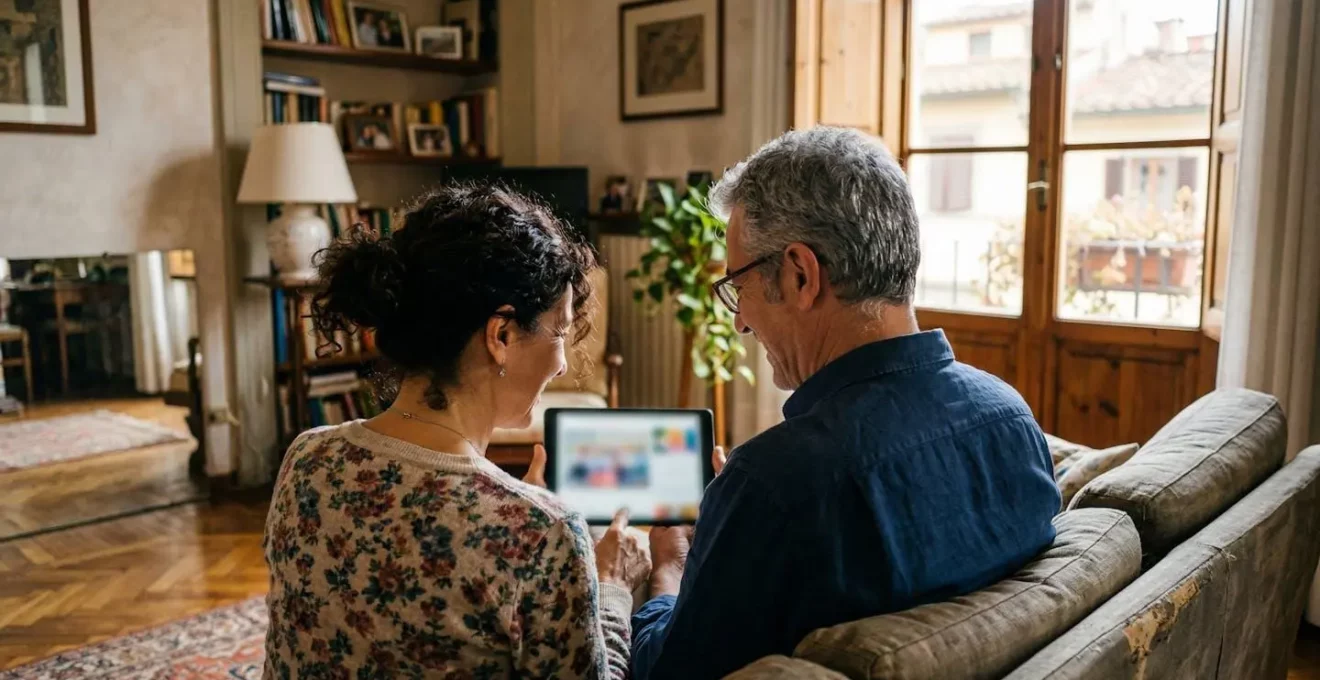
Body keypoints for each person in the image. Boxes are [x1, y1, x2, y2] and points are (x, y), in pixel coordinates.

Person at [621, 127, 1061, 679]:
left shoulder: (776, 485)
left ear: (802, 274)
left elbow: (668, 674)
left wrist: (669, 569)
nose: (739, 320)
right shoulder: (1013, 419)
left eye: (739, 284)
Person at [262, 184, 650, 679]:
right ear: (502, 335)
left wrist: (514, 508)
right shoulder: (544, 534)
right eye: (559, 332)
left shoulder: (306, 460)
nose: (561, 364)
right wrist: (613, 586)